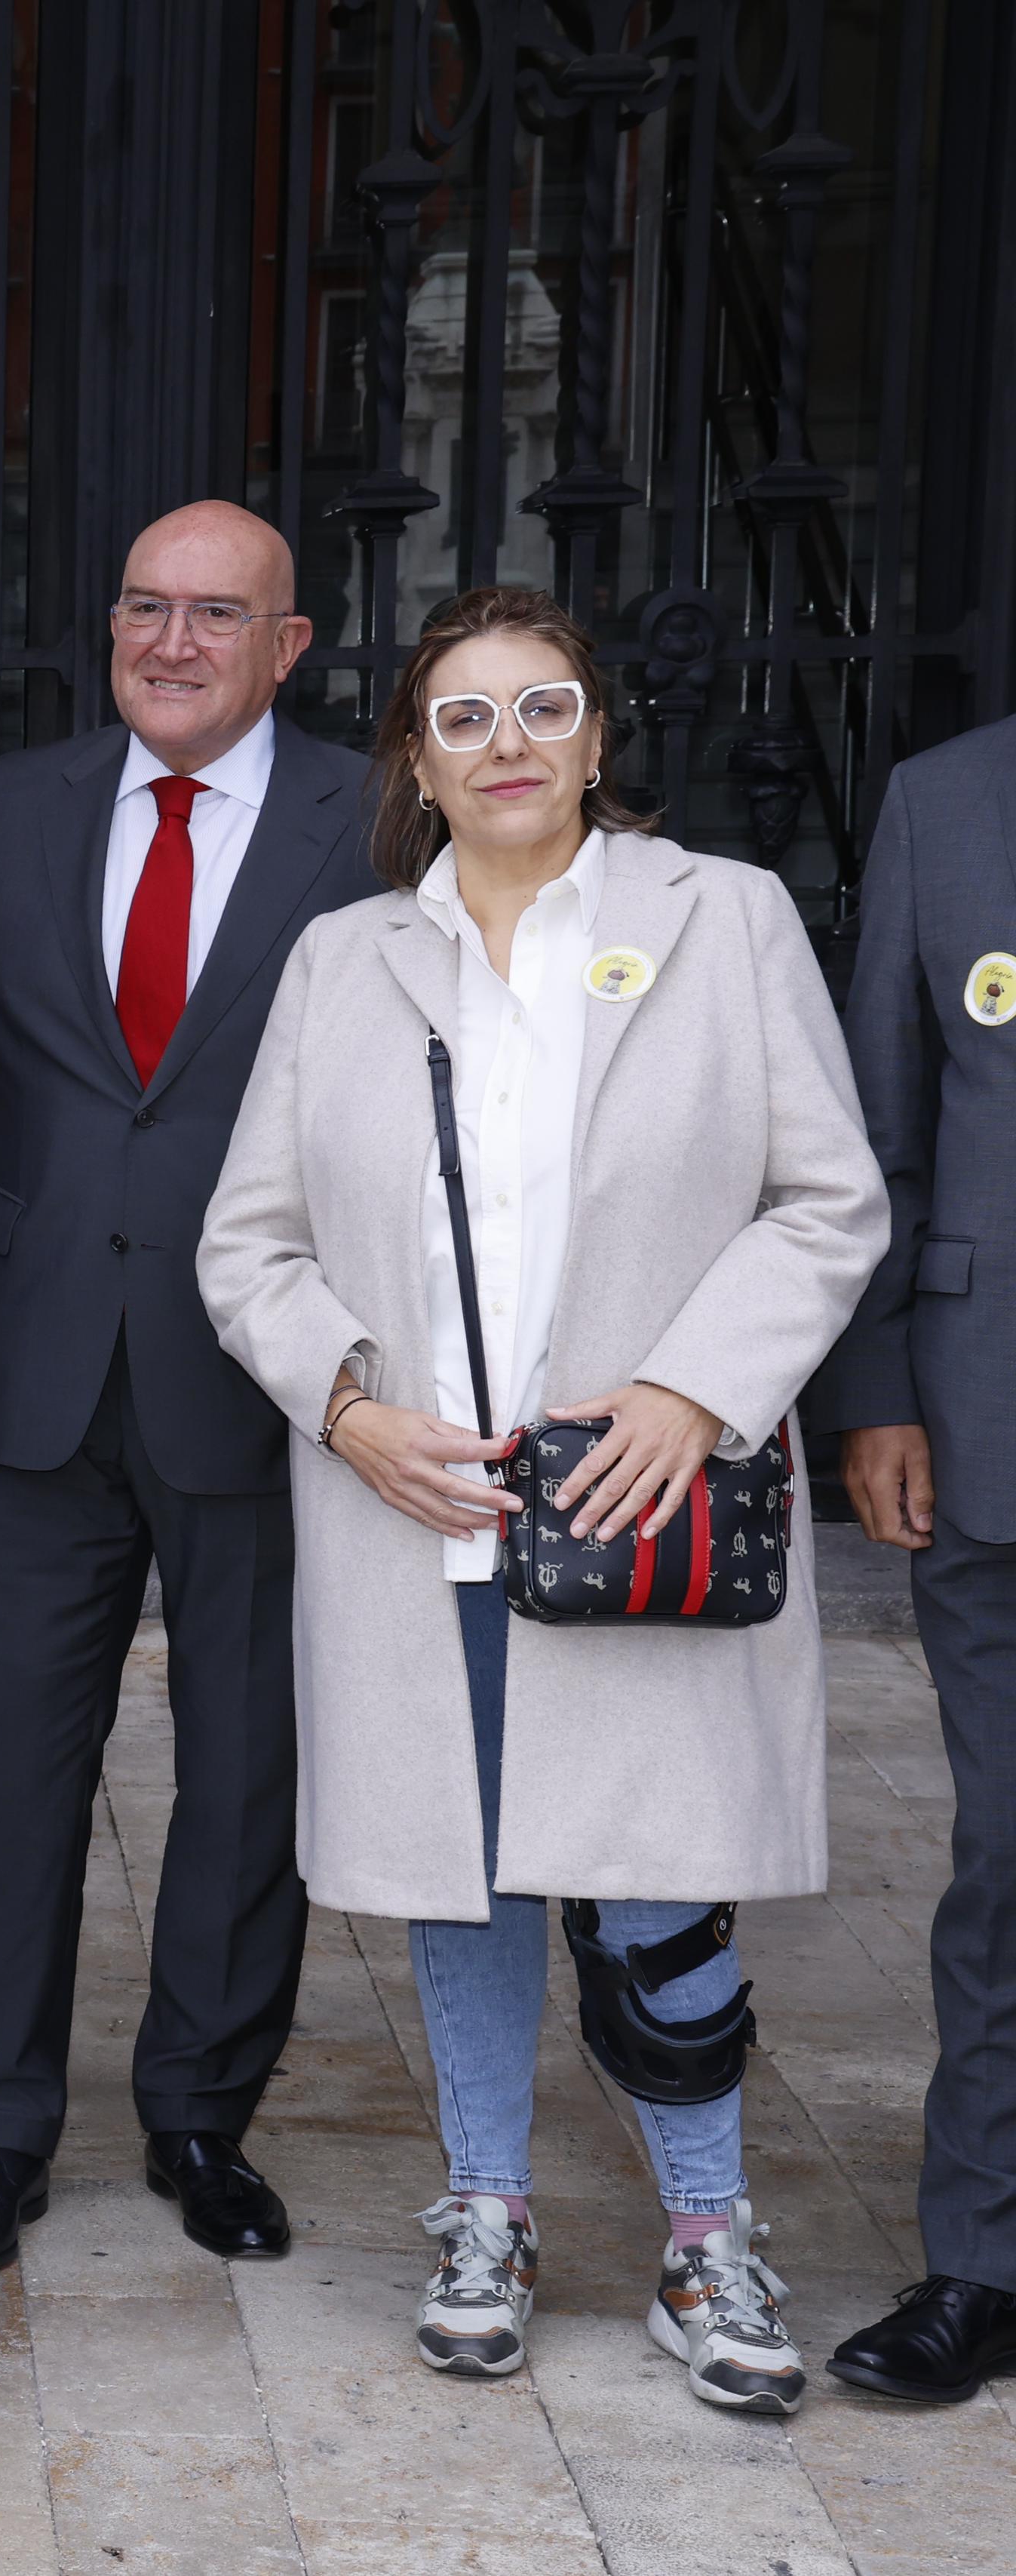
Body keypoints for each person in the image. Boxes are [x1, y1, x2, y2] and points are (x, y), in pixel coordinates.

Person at [199, 583, 883, 2409]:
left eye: (542, 708)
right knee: (465, 1871)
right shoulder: (344, 962)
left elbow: (827, 1200)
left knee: (661, 1889)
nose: (505, 745)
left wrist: (691, 1386)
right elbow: (246, 1243)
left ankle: (707, 2235)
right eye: (462, 718)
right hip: (426, 1505)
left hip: (647, 1492)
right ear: (414, 767)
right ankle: (485, 2207)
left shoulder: (720, 919)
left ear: (595, 741)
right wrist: (347, 1410)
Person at [0, 500, 381, 2274]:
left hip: (259, 1363)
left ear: (286, 647)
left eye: (215, 614)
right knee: (7, 1759)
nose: (171, 641)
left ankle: (199, 2117)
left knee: (245, 1767)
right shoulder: (18, 808)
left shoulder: (370, 822)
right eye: (145, 606)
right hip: (33, 1364)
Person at [822, 707, 1016, 2401]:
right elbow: (879, 1132)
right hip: (988, 1421)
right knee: (1003, 1867)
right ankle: (983, 2258)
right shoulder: (944, 801)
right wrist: (878, 1387)